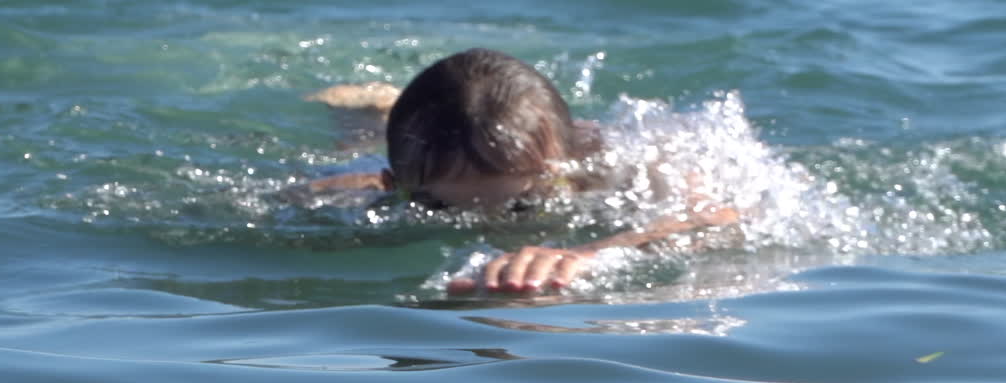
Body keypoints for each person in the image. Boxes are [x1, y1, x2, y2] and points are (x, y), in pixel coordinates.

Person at [302, 48, 739, 294]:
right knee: (362, 148)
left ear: (569, 173)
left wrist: (590, 254)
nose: (486, 230)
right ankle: (375, 111)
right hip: (409, 160)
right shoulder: (377, 184)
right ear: (393, 186)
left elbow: (716, 217)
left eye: (521, 206)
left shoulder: (626, 162)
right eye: (438, 207)